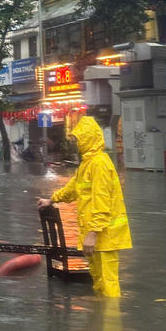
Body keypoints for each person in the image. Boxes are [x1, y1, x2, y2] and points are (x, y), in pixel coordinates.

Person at [37, 115, 132, 297]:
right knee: (98, 282)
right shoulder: (87, 164)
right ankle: (101, 319)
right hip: (97, 237)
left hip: (105, 237)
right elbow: (73, 188)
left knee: (109, 284)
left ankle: (112, 321)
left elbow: (102, 201)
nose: (77, 143)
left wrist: (93, 233)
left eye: (79, 139)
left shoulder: (99, 164)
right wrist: (52, 199)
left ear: (89, 138)